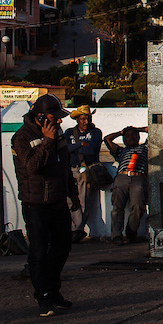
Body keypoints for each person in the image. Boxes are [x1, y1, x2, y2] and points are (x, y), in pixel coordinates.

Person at [12, 94, 78, 317]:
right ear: (40, 117)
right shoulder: (21, 138)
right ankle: (43, 297)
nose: (59, 122)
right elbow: (31, 167)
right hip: (36, 203)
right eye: (54, 117)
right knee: (39, 252)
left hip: (57, 200)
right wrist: (47, 142)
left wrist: (72, 193)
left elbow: (64, 165)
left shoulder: (57, 134)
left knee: (63, 247)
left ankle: (53, 289)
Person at [63, 104, 104, 243]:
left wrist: (74, 148)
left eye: (87, 118)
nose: (85, 122)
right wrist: (80, 145)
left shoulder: (96, 132)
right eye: (82, 119)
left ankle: (78, 228)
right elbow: (65, 149)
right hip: (71, 168)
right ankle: (76, 228)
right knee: (71, 199)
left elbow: (92, 150)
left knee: (84, 199)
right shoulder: (69, 132)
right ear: (77, 120)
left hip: (87, 169)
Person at [104, 126, 148, 245]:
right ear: (123, 139)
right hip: (122, 177)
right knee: (117, 207)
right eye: (127, 136)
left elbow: (152, 130)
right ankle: (116, 235)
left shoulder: (144, 148)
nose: (131, 137)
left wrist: (136, 129)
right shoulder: (120, 150)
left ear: (138, 137)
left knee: (138, 207)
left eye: (134, 135)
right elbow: (107, 139)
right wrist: (120, 132)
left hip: (138, 177)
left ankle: (131, 233)